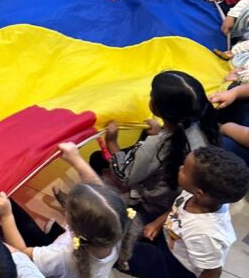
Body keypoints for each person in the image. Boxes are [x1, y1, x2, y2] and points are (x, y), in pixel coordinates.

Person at [0, 144, 141, 278]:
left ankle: (0, 214)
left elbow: (22, 255)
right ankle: (6, 207)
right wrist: (75, 159)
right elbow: (100, 193)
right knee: (26, 226)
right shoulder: (117, 229)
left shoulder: (63, 255)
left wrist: (6, 216)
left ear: (71, 223)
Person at [125, 146, 248, 278]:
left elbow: (212, 274)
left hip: (178, 267)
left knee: (124, 253)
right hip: (171, 237)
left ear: (200, 193)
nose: (180, 168)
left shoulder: (207, 233)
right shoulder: (195, 195)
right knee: (128, 221)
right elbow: (176, 209)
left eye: (184, 170)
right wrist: (157, 222)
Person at [92, 69, 221, 220]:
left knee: (96, 159)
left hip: (153, 204)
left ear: (157, 108)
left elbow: (124, 175)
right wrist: (157, 134)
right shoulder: (206, 126)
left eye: (152, 94)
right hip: (173, 194)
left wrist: (111, 142)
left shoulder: (157, 146)